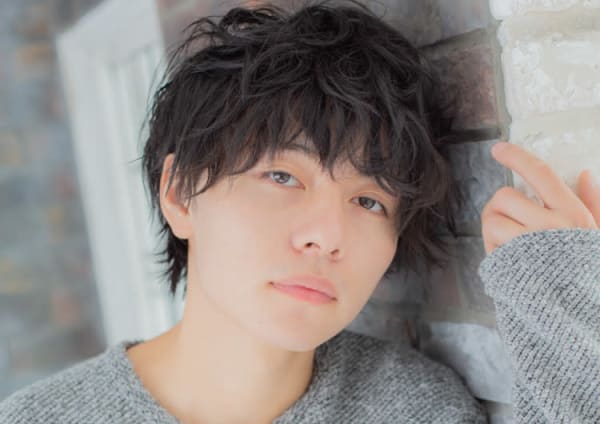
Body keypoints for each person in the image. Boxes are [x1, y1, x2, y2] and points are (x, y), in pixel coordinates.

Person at [1, 1, 599, 423]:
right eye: (282, 176)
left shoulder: (413, 408)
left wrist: (563, 297)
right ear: (180, 193)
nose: (327, 236)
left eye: (368, 200)